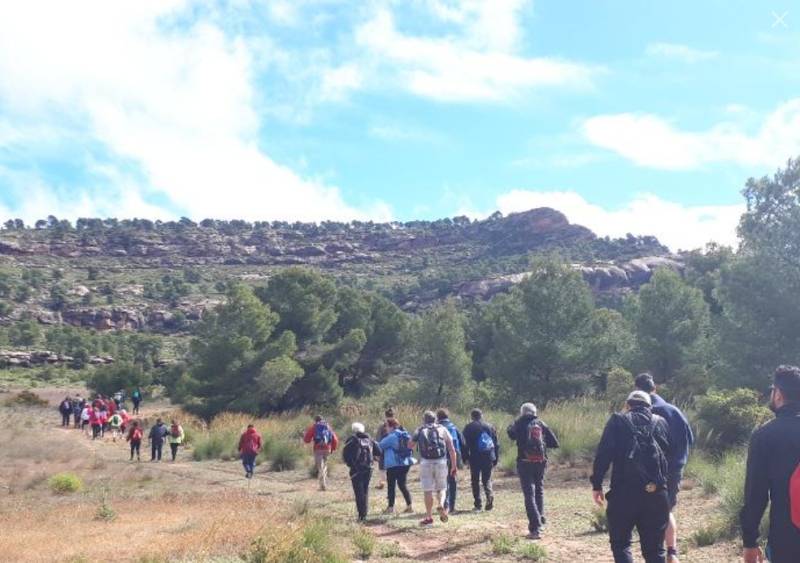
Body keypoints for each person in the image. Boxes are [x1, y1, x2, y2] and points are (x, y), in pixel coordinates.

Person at [591, 391, 671, 563]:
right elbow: (669, 456)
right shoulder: (661, 422)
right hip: (656, 494)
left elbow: (603, 455)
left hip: (623, 494)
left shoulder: (617, 421)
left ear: (627, 405)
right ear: (650, 407)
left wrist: (597, 485)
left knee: (621, 544)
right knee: (655, 550)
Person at [741, 365, 800, 563]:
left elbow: (755, 494)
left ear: (779, 394)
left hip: (787, 540)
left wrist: (750, 541)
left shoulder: (765, 436)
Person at [635, 373, 694, 562]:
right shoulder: (673, 411)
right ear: (655, 388)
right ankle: (671, 553)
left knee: (647, 513)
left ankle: (655, 553)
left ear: (636, 389)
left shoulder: (635, 414)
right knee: (666, 510)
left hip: (646, 473)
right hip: (673, 470)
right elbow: (689, 439)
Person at [508, 402, 560, 540]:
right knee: (539, 491)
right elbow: (555, 443)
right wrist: (541, 445)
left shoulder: (518, 423)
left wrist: (517, 422)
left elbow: (510, 434)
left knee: (529, 494)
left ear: (522, 412)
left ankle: (535, 527)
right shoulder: (541, 423)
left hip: (524, 462)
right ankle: (540, 519)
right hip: (541, 463)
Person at [408, 410, 458, 527]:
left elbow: (410, 445)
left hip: (426, 462)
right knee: (442, 488)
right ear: (435, 419)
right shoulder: (442, 429)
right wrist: (454, 466)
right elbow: (451, 449)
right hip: (441, 462)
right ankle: (441, 504)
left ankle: (429, 517)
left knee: (428, 490)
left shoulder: (420, 429)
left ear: (424, 420)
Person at [343, 422, 382, 522]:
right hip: (369, 469)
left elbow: (345, 455)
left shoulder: (352, 440)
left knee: (358, 492)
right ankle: (364, 514)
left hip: (356, 470)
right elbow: (379, 451)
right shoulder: (370, 440)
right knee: (365, 490)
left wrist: (350, 464)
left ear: (354, 430)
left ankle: (361, 516)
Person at [462, 408, 499, 511]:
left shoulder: (468, 427)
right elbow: (496, 444)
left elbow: (464, 445)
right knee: (487, 479)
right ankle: (489, 495)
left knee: (475, 480)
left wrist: (465, 458)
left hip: (475, 457)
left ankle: (478, 504)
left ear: (472, 416)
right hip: (488, 456)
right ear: (481, 415)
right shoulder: (490, 426)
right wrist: (495, 458)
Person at [378, 418, 415, 514]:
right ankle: (409, 506)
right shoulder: (405, 434)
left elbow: (380, 446)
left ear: (391, 426)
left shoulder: (391, 437)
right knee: (402, 485)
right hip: (405, 463)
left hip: (393, 464)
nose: (385, 428)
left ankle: (390, 508)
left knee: (391, 486)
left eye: (386, 426)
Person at [436, 409, 465, 514]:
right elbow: (462, 442)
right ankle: (452, 506)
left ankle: (445, 504)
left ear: (438, 417)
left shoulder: (436, 428)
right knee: (452, 481)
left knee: (442, 482)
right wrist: (463, 458)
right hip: (453, 456)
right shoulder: (453, 427)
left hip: (440, 458)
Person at [303, 415, 339, 491]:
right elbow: (335, 439)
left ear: (315, 420)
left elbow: (306, 439)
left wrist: (308, 440)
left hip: (318, 449)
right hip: (327, 448)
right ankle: (324, 482)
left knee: (320, 467)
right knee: (324, 465)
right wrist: (333, 448)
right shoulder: (328, 427)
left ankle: (322, 484)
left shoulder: (314, 427)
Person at [374, 408, 396, 490]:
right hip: (394, 449)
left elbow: (378, 439)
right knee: (392, 467)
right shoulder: (397, 425)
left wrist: (376, 452)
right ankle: (391, 481)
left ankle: (383, 482)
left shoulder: (382, 426)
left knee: (382, 467)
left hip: (383, 449)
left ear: (385, 415)